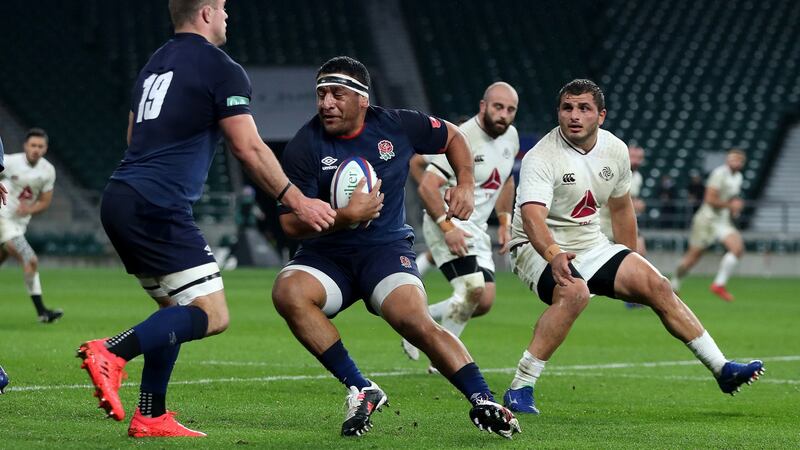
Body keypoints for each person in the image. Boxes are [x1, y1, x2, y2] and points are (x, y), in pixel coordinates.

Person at [76, 0, 336, 438]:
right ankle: (111, 352)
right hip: (158, 204)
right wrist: (297, 199)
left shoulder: (153, 65)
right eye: (223, 6)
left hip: (121, 196)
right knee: (212, 314)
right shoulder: (222, 68)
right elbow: (248, 147)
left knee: (173, 309)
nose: (229, 14)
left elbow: (132, 135)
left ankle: (151, 415)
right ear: (206, 13)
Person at [271, 56, 520, 439]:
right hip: (327, 254)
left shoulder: (398, 125)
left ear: (362, 100)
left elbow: (453, 136)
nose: (326, 103)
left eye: (336, 94)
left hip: (384, 250)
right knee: (288, 292)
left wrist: (466, 181)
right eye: (321, 94)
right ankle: (361, 387)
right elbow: (288, 222)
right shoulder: (304, 145)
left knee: (413, 320)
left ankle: (483, 400)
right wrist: (344, 215)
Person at [502, 79, 764, 415]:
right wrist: (553, 255)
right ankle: (520, 387)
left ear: (602, 115)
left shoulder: (615, 150)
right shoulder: (542, 156)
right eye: (567, 107)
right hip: (534, 247)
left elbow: (622, 207)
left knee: (657, 284)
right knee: (575, 292)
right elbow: (532, 217)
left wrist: (628, 260)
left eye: (584, 108)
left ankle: (722, 369)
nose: (574, 115)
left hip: (591, 243)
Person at [401, 82, 519, 367]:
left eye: (510, 109)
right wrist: (447, 227)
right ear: (483, 106)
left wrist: (505, 221)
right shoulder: (459, 138)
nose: (503, 114)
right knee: (471, 289)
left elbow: (506, 181)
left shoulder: (511, 137)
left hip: (476, 227)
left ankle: (417, 322)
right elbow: (428, 186)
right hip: (446, 219)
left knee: (483, 300)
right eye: (498, 107)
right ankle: (444, 360)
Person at [0, 128, 62, 323]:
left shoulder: (48, 171)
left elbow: (44, 201)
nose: (36, 149)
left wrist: (30, 209)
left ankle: (42, 312)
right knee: (31, 259)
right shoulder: (10, 162)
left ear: (45, 149)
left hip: (18, 224)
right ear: (25, 146)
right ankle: (42, 311)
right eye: (33, 145)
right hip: (2, 219)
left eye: (40, 146)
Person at [671, 149, 747, 301]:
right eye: (732, 159)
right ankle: (674, 283)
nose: (735, 162)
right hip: (707, 220)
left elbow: (732, 199)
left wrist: (735, 207)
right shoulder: (719, 174)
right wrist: (730, 206)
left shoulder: (738, 177)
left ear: (742, 163)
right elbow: (709, 200)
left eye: (738, 160)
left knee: (738, 248)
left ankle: (719, 284)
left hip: (722, 220)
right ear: (727, 160)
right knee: (692, 258)